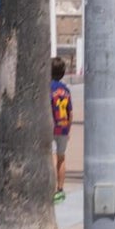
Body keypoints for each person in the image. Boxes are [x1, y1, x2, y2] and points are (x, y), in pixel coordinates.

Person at [50, 56, 73, 204]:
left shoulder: (47, 88)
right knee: (61, 157)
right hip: (63, 125)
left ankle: (50, 189)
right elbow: (70, 112)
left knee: (51, 158)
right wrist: (68, 128)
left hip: (51, 126)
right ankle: (60, 188)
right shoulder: (65, 90)